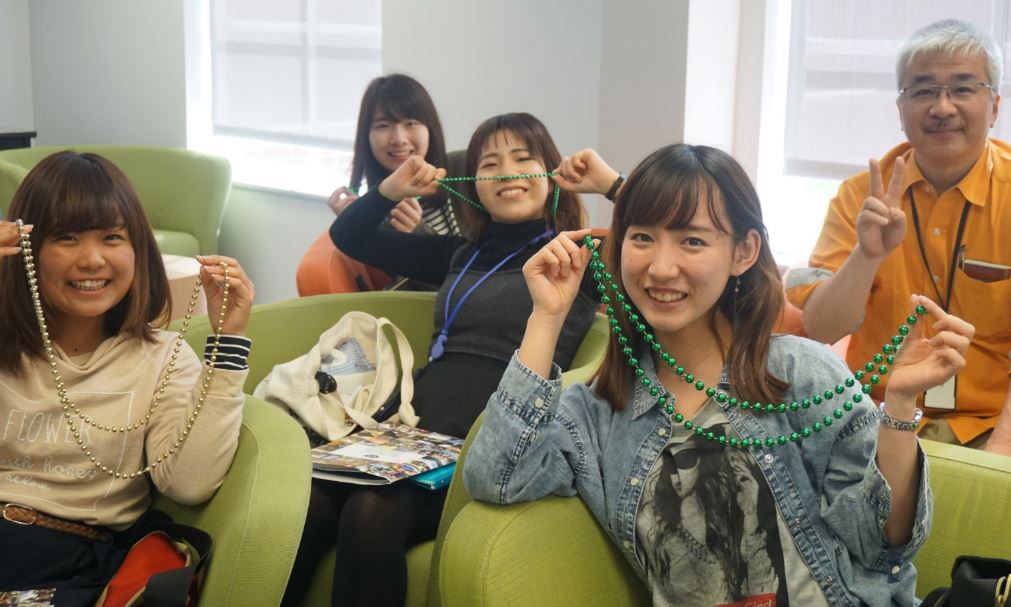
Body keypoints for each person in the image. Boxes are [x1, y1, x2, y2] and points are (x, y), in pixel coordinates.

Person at [464, 143, 974, 605]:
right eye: (642, 237)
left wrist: (901, 408)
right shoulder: (598, 413)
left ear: (743, 252)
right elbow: (497, 477)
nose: (662, 268)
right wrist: (546, 318)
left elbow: (882, 540)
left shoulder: (800, 374)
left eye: (691, 242)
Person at [281, 112, 600, 607]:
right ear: (473, 184)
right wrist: (391, 189)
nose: (507, 173)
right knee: (313, 501)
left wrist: (611, 183)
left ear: (551, 172)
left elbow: (662, 240)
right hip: (410, 429)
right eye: (489, 164)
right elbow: (351, 238)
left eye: (523, 159)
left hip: (489, 437)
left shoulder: (577, 256)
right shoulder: (461, 252)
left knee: (371, 510)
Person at [0, 151, 256, 604]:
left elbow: (189, 482)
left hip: (72, 560)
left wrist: (229, 342)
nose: (93, 259)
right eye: (67, 238)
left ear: (138, 248)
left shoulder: (163, 358)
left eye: (112, 237)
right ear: (27, 248)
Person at [785, 19, 1011, 454]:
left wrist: (996, 460)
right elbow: (821, 328)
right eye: (923, 91)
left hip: (989, 421)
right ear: (900, 109)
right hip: (872, 415)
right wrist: (867, 256)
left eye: (963, 89)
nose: (942, 107)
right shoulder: (859, 197)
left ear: (995, 106)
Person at [300, 73, 464, 295]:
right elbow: (430, 297)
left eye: (411, 123)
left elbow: (481, 270)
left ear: (430, 128)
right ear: (366, 136)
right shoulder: (379, 212)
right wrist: (358, 217)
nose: (399, 138)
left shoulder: (462, 169)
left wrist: (419, 231)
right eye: (383, 125)